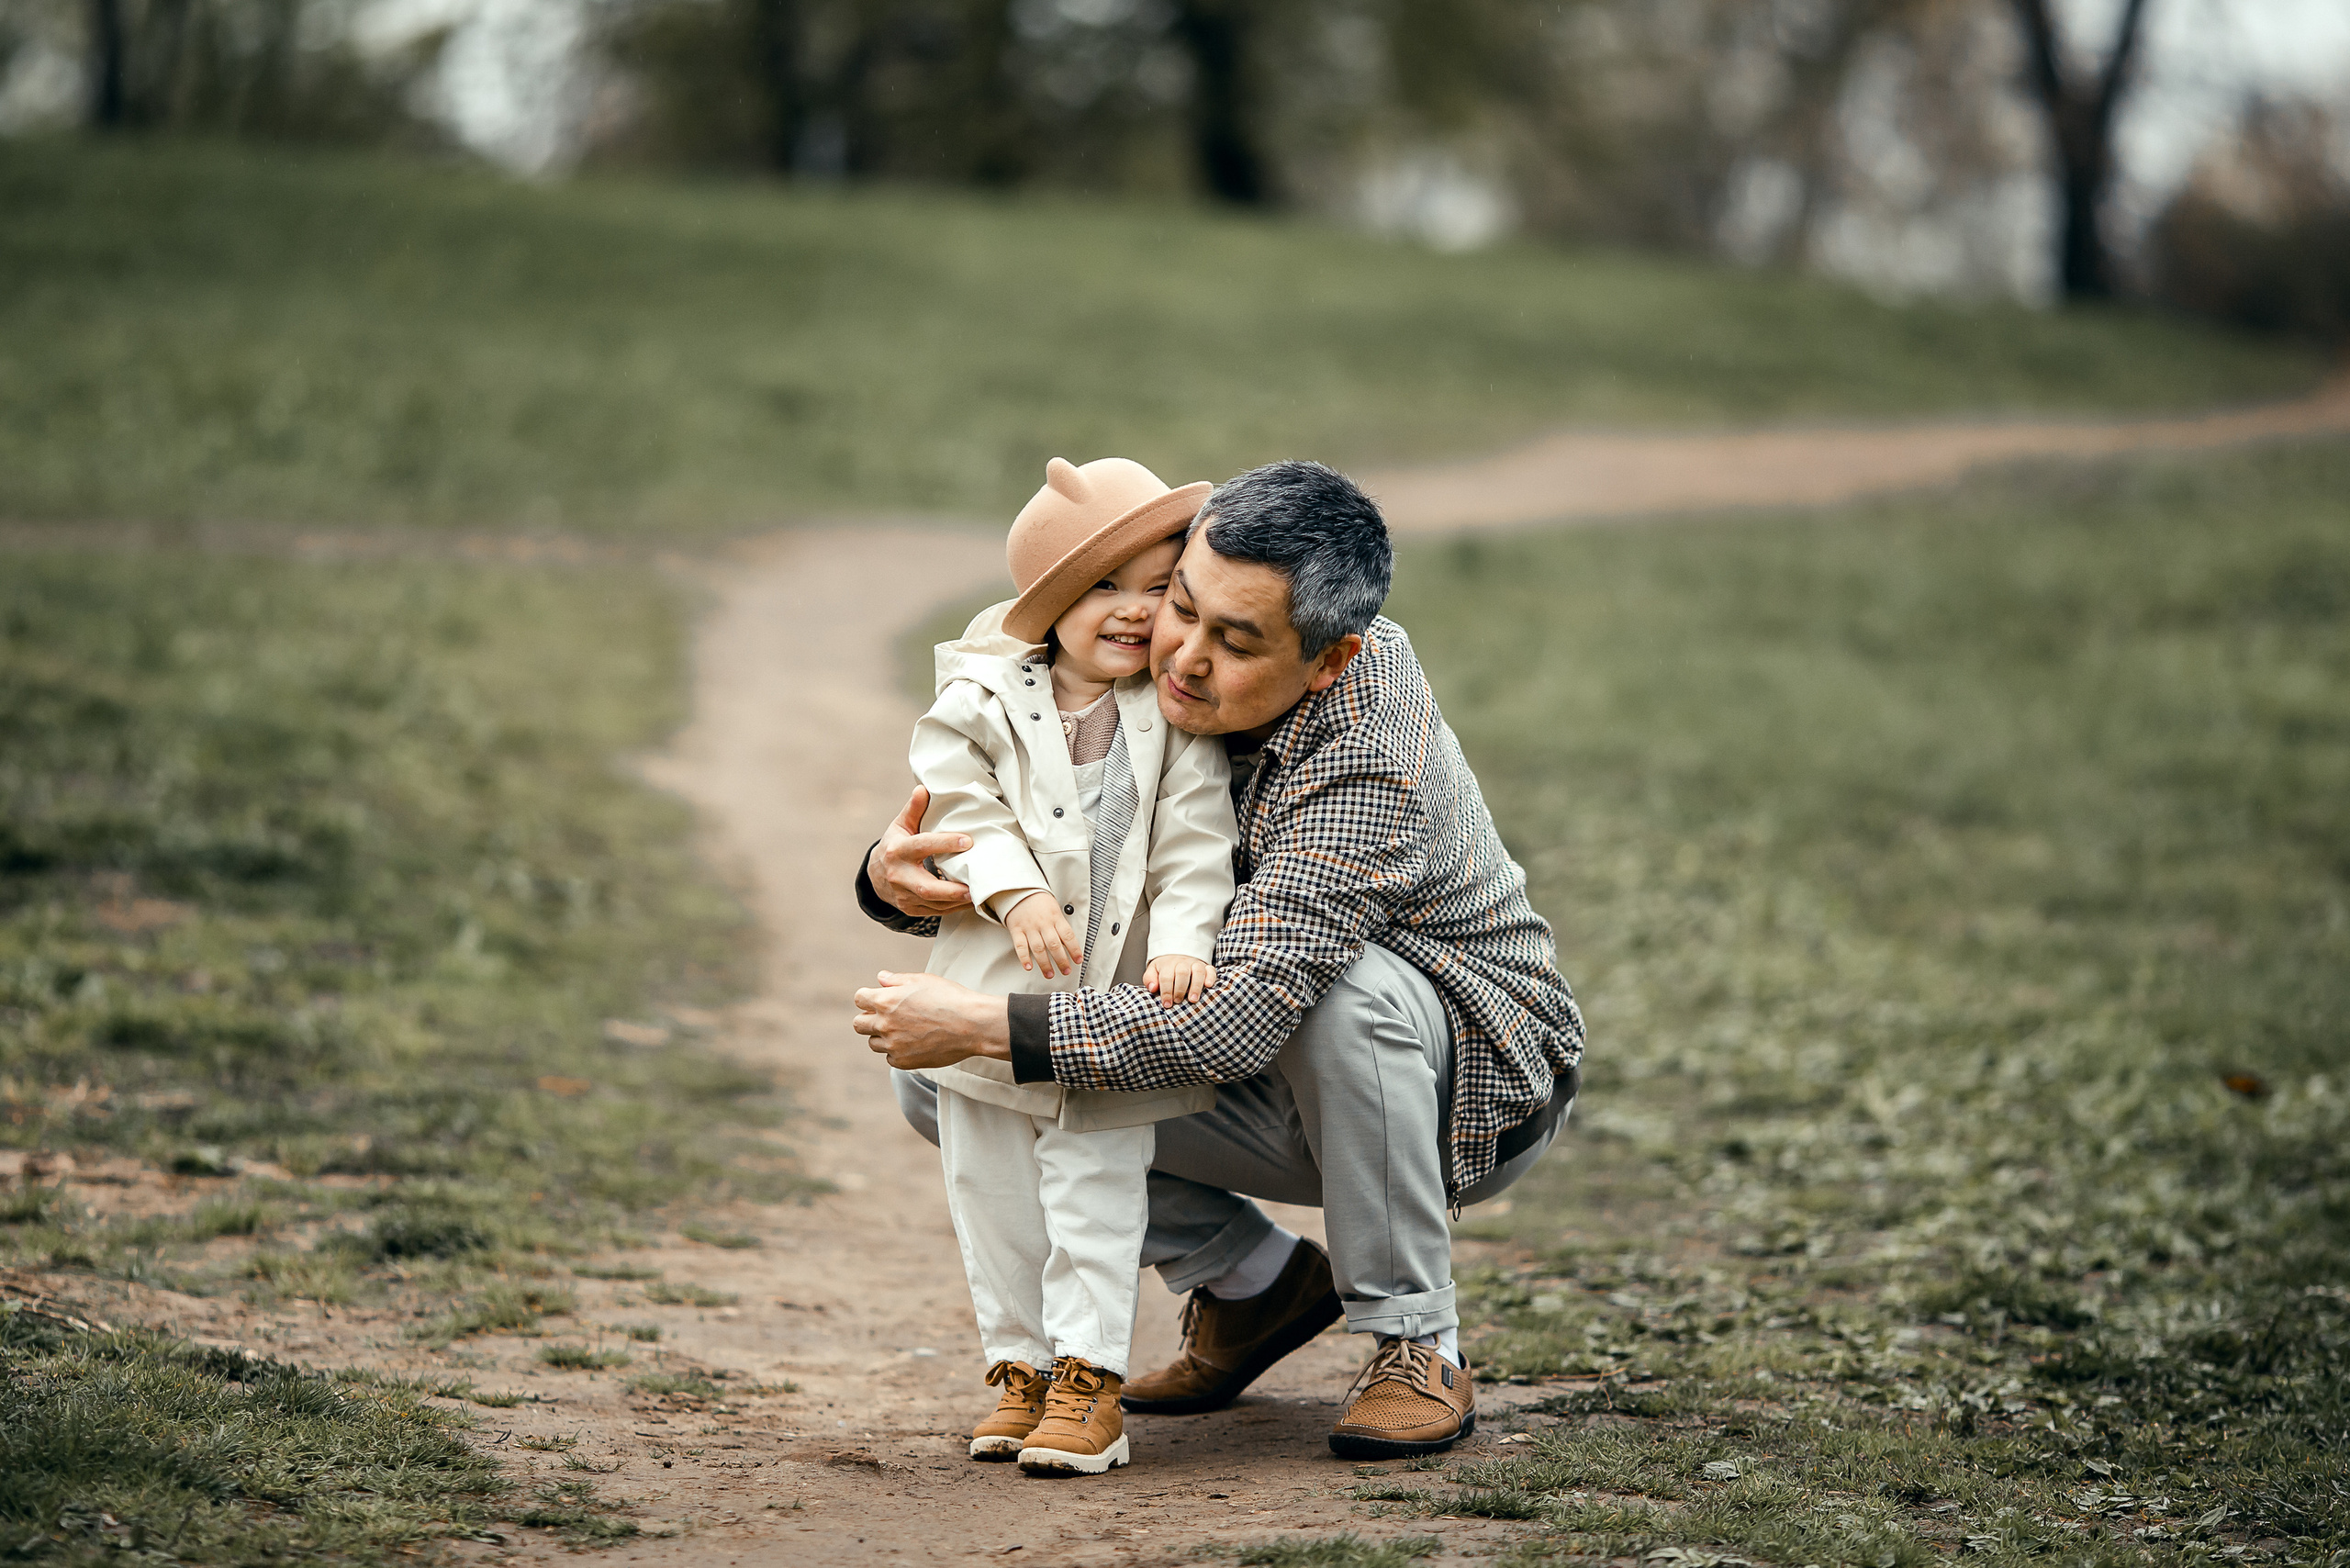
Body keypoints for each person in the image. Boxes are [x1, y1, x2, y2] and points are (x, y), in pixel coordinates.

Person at [853, 460, 1584, 1461]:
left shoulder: (1368, 756)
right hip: (1257, 1051)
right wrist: (893, 879)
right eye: (1178, 605)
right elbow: (1057, 854)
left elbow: (1241, 1014)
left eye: (1234, 643)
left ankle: (1416, 1340)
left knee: (1343, 994)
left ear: (1327, 662)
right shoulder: (1124, 662)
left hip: (1460, 1082)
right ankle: (1249, 1284)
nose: (1182, 658)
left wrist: (991, 1023)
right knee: (952, 1084)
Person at [910, 455, 1241, 1477]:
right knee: (991, 1190)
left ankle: (1089, 1377)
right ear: (1050, 604)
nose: (1135, 614)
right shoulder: (978, 698)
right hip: (994, 981)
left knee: (1096, 1191)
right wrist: (1013, 890)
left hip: (1112, 1006)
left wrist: (1185, 939)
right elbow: (956, 807)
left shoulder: (1171, 718)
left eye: (1158, 589)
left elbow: (1194, 839)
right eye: (1106, 588)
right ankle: (1019, 1368)